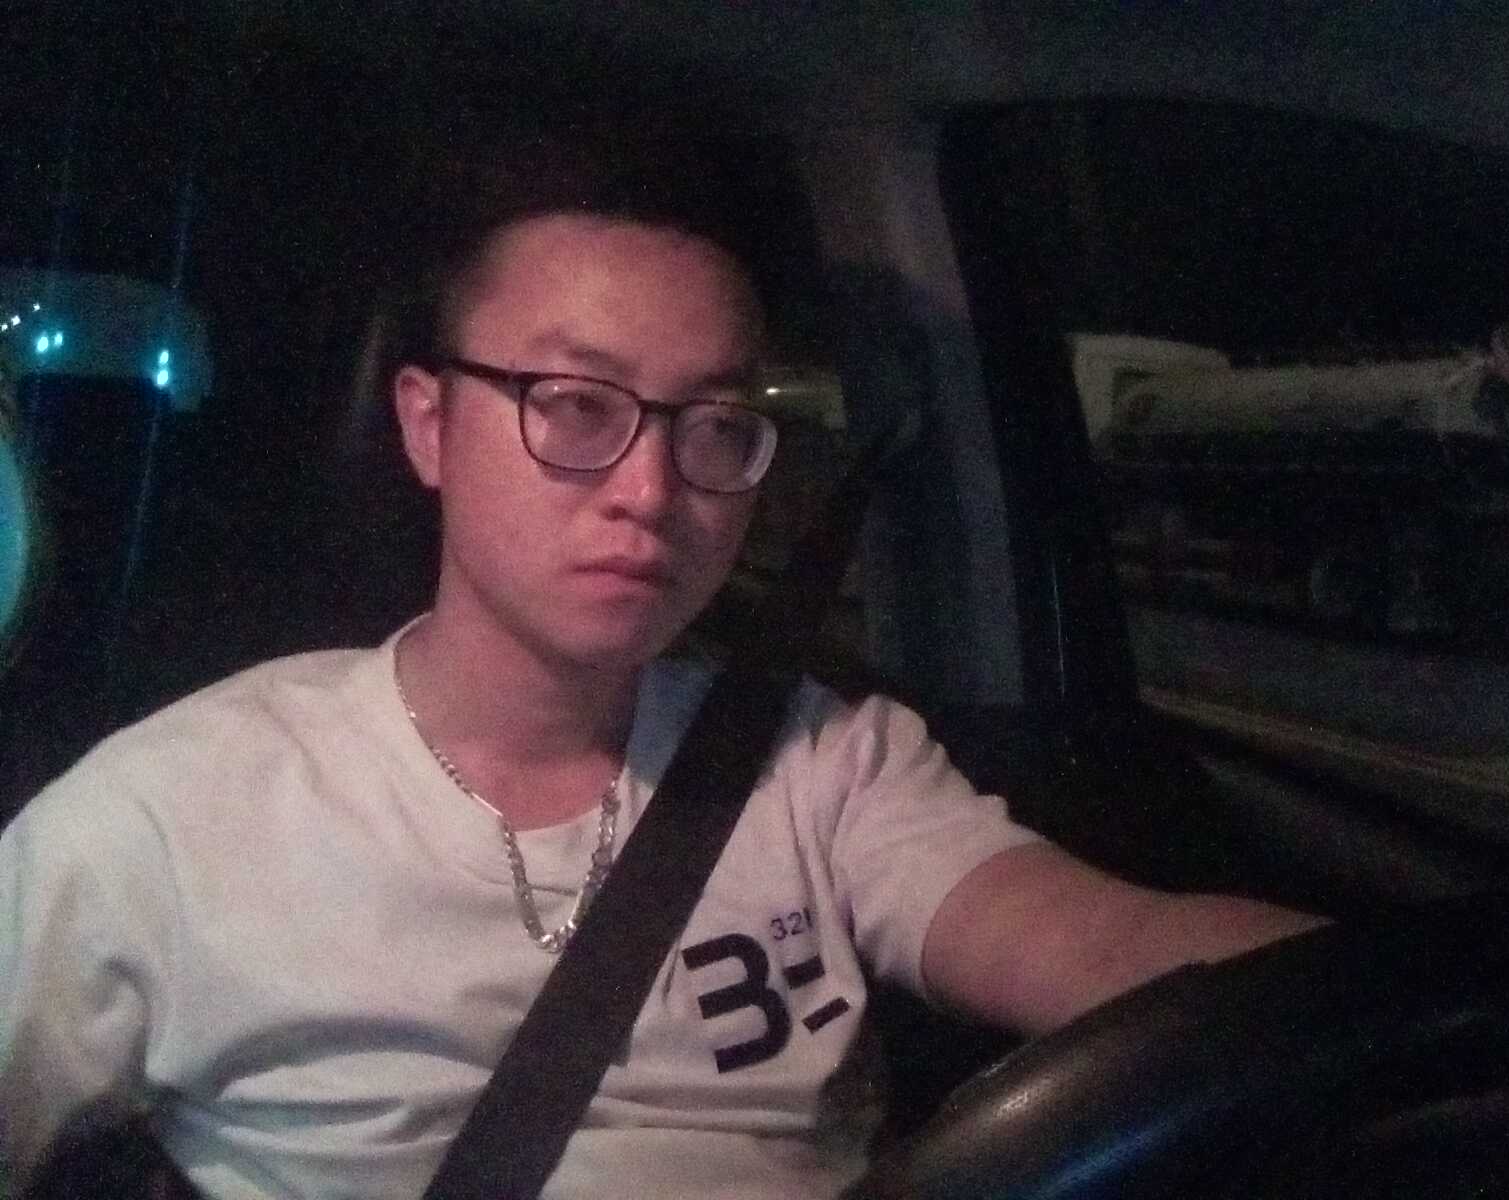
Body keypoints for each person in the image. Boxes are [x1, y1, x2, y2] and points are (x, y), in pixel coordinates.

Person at [0, 129, 1320, 1199]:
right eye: (577, 406)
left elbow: (1109, 943)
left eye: (714, 426)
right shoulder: (173, 816)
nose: (651, 490)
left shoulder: (824, 763)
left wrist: (1416, 1002)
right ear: (429, 426)